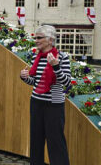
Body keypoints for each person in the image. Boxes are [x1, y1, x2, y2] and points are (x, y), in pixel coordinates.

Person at [20, 25, 71, 165]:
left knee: (56, 141)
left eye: (39, 37)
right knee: (36, 140)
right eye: (35, 37)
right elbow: (34, 82)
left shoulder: (62, 57)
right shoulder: (36, 57)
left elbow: (67, 82)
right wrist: (24, 77)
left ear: (50, 39)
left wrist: (56, 67)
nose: (36, 40)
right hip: (36, 102)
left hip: (54, 103)